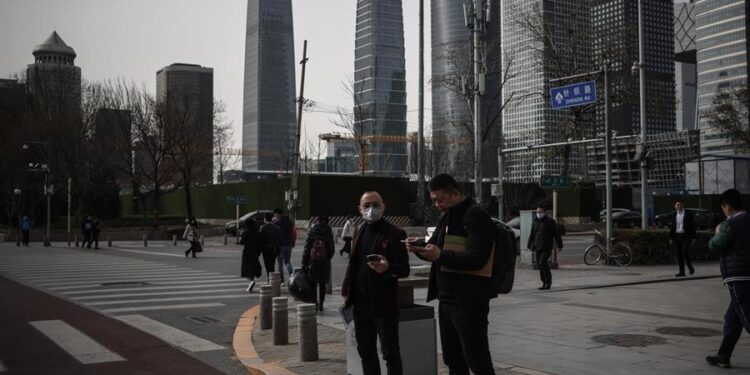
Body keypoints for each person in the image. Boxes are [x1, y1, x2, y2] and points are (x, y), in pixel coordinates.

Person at [406, 174, 496, 374]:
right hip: (447, 300)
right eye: (434, 200)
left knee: (476, 358)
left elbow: (478, 259)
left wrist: (440, 255)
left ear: (455, 193)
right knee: (452, 359)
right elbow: (436, 251)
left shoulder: (475, 214)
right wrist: (420, 248)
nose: (437, 204)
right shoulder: (447, 216)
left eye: (440, 199)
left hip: (469, 301)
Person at [341, 191, 410, 375]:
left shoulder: (396, 233)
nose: (372, 209)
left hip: (384, 304)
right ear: (360, 209)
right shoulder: (358, 230)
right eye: (367, 206)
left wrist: (387, 268)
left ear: (383, 206)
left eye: (376, 205)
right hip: (360, 304)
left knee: (390, 353)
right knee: (365, 351)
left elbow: (404, 269)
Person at [706, 189, 749, 369]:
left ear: (728, 206)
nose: (723, 211)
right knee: (732, 317)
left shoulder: (728, 224)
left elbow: (714, 246)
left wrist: (717, 232)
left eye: (723, 207)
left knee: (748, 317)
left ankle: (723, 356)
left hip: (739, 277)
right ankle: (724, 356)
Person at [302, 215, 334, 311]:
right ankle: (321, 304)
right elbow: (332, 250)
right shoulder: (329, 232)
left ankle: (315, 302)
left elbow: (307, 248)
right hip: (324, 262)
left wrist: (304, 262)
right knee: (322, 284)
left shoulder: (313, 231)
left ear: (317, 221)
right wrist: (328, 257)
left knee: (313, 283)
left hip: (313, 262)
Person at [528, 205, 563, 290]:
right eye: (537, 212)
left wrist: (559, 245)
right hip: (537, 246)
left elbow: (556, 234)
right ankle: (544, 282)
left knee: (542, 262)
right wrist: (529, 244)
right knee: (540, 265)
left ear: (544, 212)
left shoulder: (550, 222)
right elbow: (532, 234)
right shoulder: (535, 221)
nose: (538, 213)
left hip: (546, 246)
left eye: (540, 212)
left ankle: (548, 281)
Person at [668, 199, 696, 277]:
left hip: (686, 235)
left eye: (680, 204)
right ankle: (681, 272)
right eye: (677, 205)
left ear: (683, 205)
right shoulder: (674, 214)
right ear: (675, 206)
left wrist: (694, 237)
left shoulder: (687, 214)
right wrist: (670, 237)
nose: (679, 206)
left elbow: (693, 225)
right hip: (677, 235)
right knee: (679, 254)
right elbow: (673, 227)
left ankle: (690, 267)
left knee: (684, 252)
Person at [273, 208, 296, 285]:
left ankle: (282, 281)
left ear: (277, 214)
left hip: (281, 246)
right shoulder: (289, 222)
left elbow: (275, 237)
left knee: (280, 264)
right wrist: (293, 242)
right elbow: (293, 233)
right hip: (289, 245)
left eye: (275, 214)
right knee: (287, 262)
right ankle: (292, 277)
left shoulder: (276, 224)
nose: (274, 216)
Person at [240, 218, 262, 292]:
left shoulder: (246, 232)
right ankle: (252, 280)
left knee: (247, 268)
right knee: (253, 267)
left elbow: (242, 242)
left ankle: (251, 281)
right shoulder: (257, 232)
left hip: (247, 252)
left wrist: (242, 234)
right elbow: (260, 242)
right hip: (255, 252)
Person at [259, 212, 281, 281]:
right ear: (272, 219)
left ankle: (269, 279)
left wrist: (259, 249)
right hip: (273, 249)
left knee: (267, 264)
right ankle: (272, 279)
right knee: (272, 264)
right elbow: (279, 240)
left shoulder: (262, 228)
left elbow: (261, 239)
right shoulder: (277, 228)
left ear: (265, 219)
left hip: (265, 250)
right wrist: (278, 250)